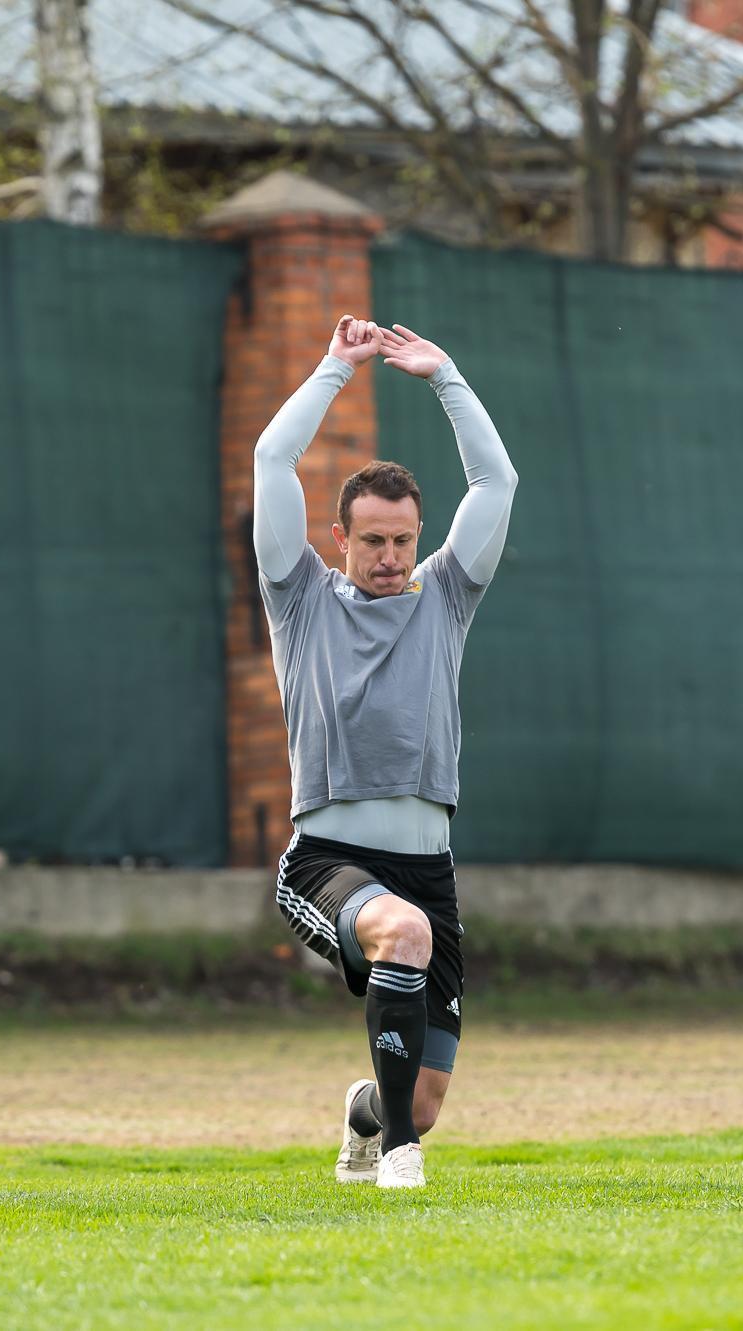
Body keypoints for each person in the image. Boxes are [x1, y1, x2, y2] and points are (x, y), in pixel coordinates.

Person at [253, 315, 516, 1189]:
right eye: (373, 539)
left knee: (425, 1097)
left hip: (428, 867)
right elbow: (271, 459)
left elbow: (497, 480)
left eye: (404, 539)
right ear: (341, 538)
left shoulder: (445, 596)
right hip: (328, 861)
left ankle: (377, 1118)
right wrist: (335, 368)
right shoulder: (300, 599)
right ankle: (399, 1157)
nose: (391, 556)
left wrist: (445, 376)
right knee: (400, 932)